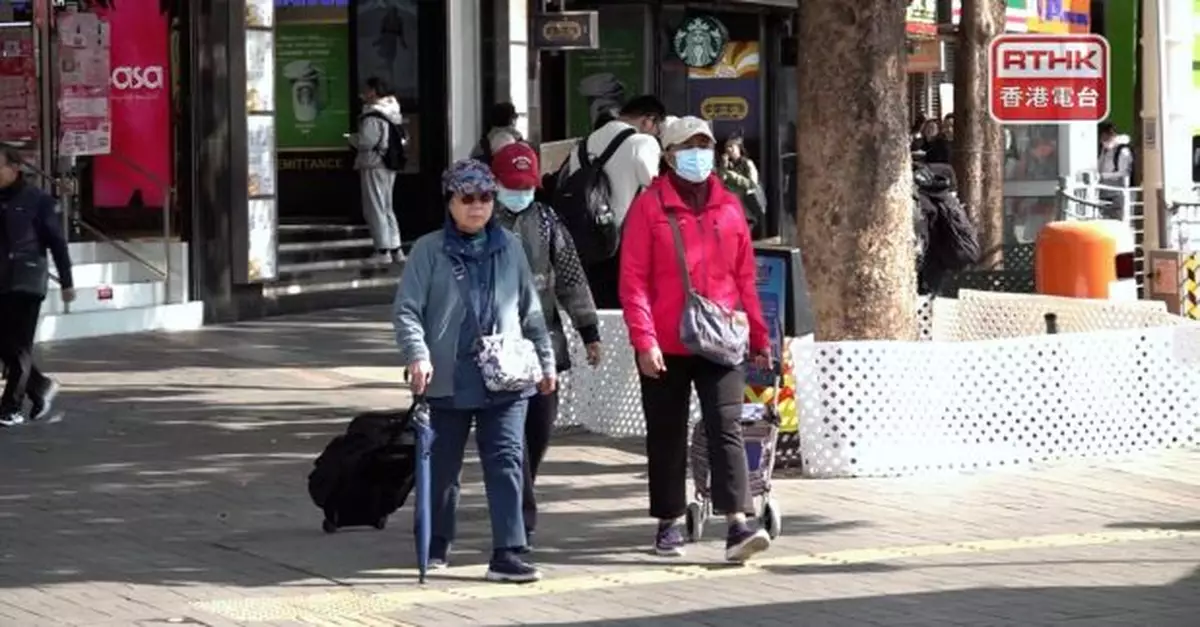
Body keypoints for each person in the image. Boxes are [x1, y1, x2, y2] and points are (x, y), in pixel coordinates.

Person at [392, 158, 556, 583]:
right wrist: (417, 354)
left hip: (506, 376)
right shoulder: (429, 250)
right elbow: (407, 311)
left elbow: (531, 312)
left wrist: (546, 362)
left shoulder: (510, 247)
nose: (478, 207)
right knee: (442, 468)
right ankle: (435, 542)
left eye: (485, 198)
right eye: (467, 199)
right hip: (448, 377)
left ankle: (508, 552)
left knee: (506, 462)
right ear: (450, 201)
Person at [618, 117, 773, 563]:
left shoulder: (729, 206)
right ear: (668, 155)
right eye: (689, 146)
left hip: (721, 339)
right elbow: (633, 282)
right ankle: (668, 522)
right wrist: (644, 340)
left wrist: (758, 334)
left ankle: (738, 524)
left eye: (704, 145)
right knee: (666, 434)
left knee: (726, 428)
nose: (699, 154)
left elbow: (746, 277)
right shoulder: (649, 208)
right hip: (665, 343)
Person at [490, 142, 602, 546]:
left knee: (538, 432)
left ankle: (520, 490)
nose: (520, 193)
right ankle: (520, 518)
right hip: (497, 352)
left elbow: (571, 280)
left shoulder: (549, 222)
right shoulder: (483, 221)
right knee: (511, 436)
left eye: (526, 185)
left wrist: (589, 330)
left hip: (545, 349)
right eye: (511, 184)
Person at [567, 95, 666, 308]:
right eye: (657, 129)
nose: (656, 135)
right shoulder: (643, 142)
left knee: (596, 310)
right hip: (622, 243)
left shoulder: (583, 145)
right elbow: (656, 188)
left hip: (584, 240)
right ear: (648, 121)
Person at [0, 146, 74, 427]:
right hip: (0, 279)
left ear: (14, 168)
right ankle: (40, 386)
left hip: (27, 279)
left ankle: (11, 407)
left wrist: (67, 281)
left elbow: (56, 241)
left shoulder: (37, 200)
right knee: (7, 343)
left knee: (19, 345)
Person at [352, 77, 404, 262]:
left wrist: (352, 139)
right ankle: (396, 248)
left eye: (366, 90)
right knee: (387, 206)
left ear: (373, 91)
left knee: (375, 207)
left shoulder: (373, 115)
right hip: (389, 164)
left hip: (373, 164)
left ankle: (382, 250)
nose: (363, 93)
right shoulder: (393, 112)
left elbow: (366, 141)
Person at [716, 132, 763, 229]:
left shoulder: (747, 163)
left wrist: (733, 176)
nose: (729, 150)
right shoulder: (727, 165)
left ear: (738, 148)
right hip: (730, 209)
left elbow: (752, 184)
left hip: (745, 209)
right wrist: (723, 167)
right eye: (727, 147)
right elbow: (720, 183)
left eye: (731, 147)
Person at [1097, 122, 1134, 219]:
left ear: (1112, 135)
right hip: (1103, 192)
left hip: (1118, 194)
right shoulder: (1104, 150)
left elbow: (1124, 172)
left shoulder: (1122, 151)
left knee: (1117, 220)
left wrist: (1103, 176)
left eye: (1105, 137)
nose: (1103, 140)